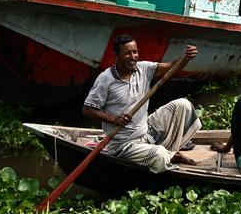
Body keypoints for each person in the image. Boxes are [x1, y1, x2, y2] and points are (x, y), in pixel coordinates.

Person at [82, 35, 202, 173]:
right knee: (160, 155)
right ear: (116, 56)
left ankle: (171, 151)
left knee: (183, 105)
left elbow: (170, 67)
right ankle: (168, 156)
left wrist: (185, 57)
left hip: (146, 132)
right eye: (127, 53)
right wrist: (114, 119)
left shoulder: (143, 68)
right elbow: (87, 109)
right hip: (124, 144)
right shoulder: (106, 79)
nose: (133, 56)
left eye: (135, 52)